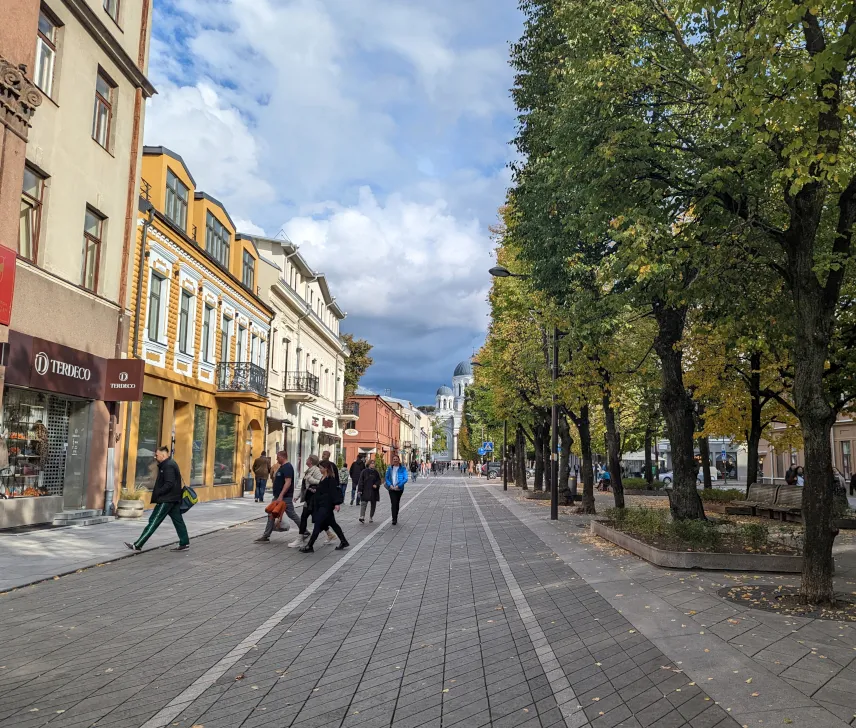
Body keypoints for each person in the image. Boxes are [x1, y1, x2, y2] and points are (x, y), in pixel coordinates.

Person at [125, 446, 189, 553]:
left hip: (166, 499)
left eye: (157, 455)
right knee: (178, 521)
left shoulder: (168, 466)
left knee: (153, 521)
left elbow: (169, 483)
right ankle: (184, 543)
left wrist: (159, 492)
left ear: (163, 455)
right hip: (173, 499)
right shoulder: (170, 463)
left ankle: (138, 545)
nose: (155, 457)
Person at [300, 460, 349, 553]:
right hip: (321, 505)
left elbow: (333, 492)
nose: (319, 469)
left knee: (317, 524)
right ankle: (344, 541)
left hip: (326, 506)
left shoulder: (330, 479)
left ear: (326, 468)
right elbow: (322, 490)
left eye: (321, 468)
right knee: (333, 524)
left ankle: (310, 545)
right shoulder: (323, 478)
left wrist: (337, 503)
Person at [290, 455, 336, 548]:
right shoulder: (309, 470)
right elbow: (305, 486)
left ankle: (301, 539)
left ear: (311, 461)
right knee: (315, 518)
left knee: (305, 517)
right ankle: (330, 534)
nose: (306, 460)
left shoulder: (316, 470)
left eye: (308, 459)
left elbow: (321, 482)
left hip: (314, 499)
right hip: (309, 497)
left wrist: (311, 479)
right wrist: (298, 496)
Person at [256, 451, 298, 542]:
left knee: (292, 514)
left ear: (283, 457)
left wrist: (281, 495)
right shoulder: (281, 467)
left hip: (284, 497)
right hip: (277, 497)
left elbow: (288, 482)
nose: (276, 459)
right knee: (271, 514)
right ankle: (266, 535)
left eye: (278, 457)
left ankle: (304, 531)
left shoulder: (287, 467)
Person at [385, 454, 408, 525]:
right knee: (393, 502)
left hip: (399, 489)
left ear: (399, 460)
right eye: (394, 459)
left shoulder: (403, 469)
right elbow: (387, 478)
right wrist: (390, 485)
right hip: (391, 488)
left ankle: (396, 516)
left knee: (397, 502)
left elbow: (405, 478)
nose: (395, 460)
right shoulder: (390, 468)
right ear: (392, 460)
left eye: (396, 459)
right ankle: (394, 519)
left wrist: (399, 485)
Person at [358, 459, 382, 523]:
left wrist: (376, 484)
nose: (373, 465)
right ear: (368, 464)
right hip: (365, 490)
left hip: (374, 490)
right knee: (363, 503)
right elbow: (360, 481)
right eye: (372, 463)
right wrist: (360, 490)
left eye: (374, 463)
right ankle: (362, 516)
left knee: (373, 504)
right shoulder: (364, 471)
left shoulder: (376, 472)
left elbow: (379, 480)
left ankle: (371, 517)